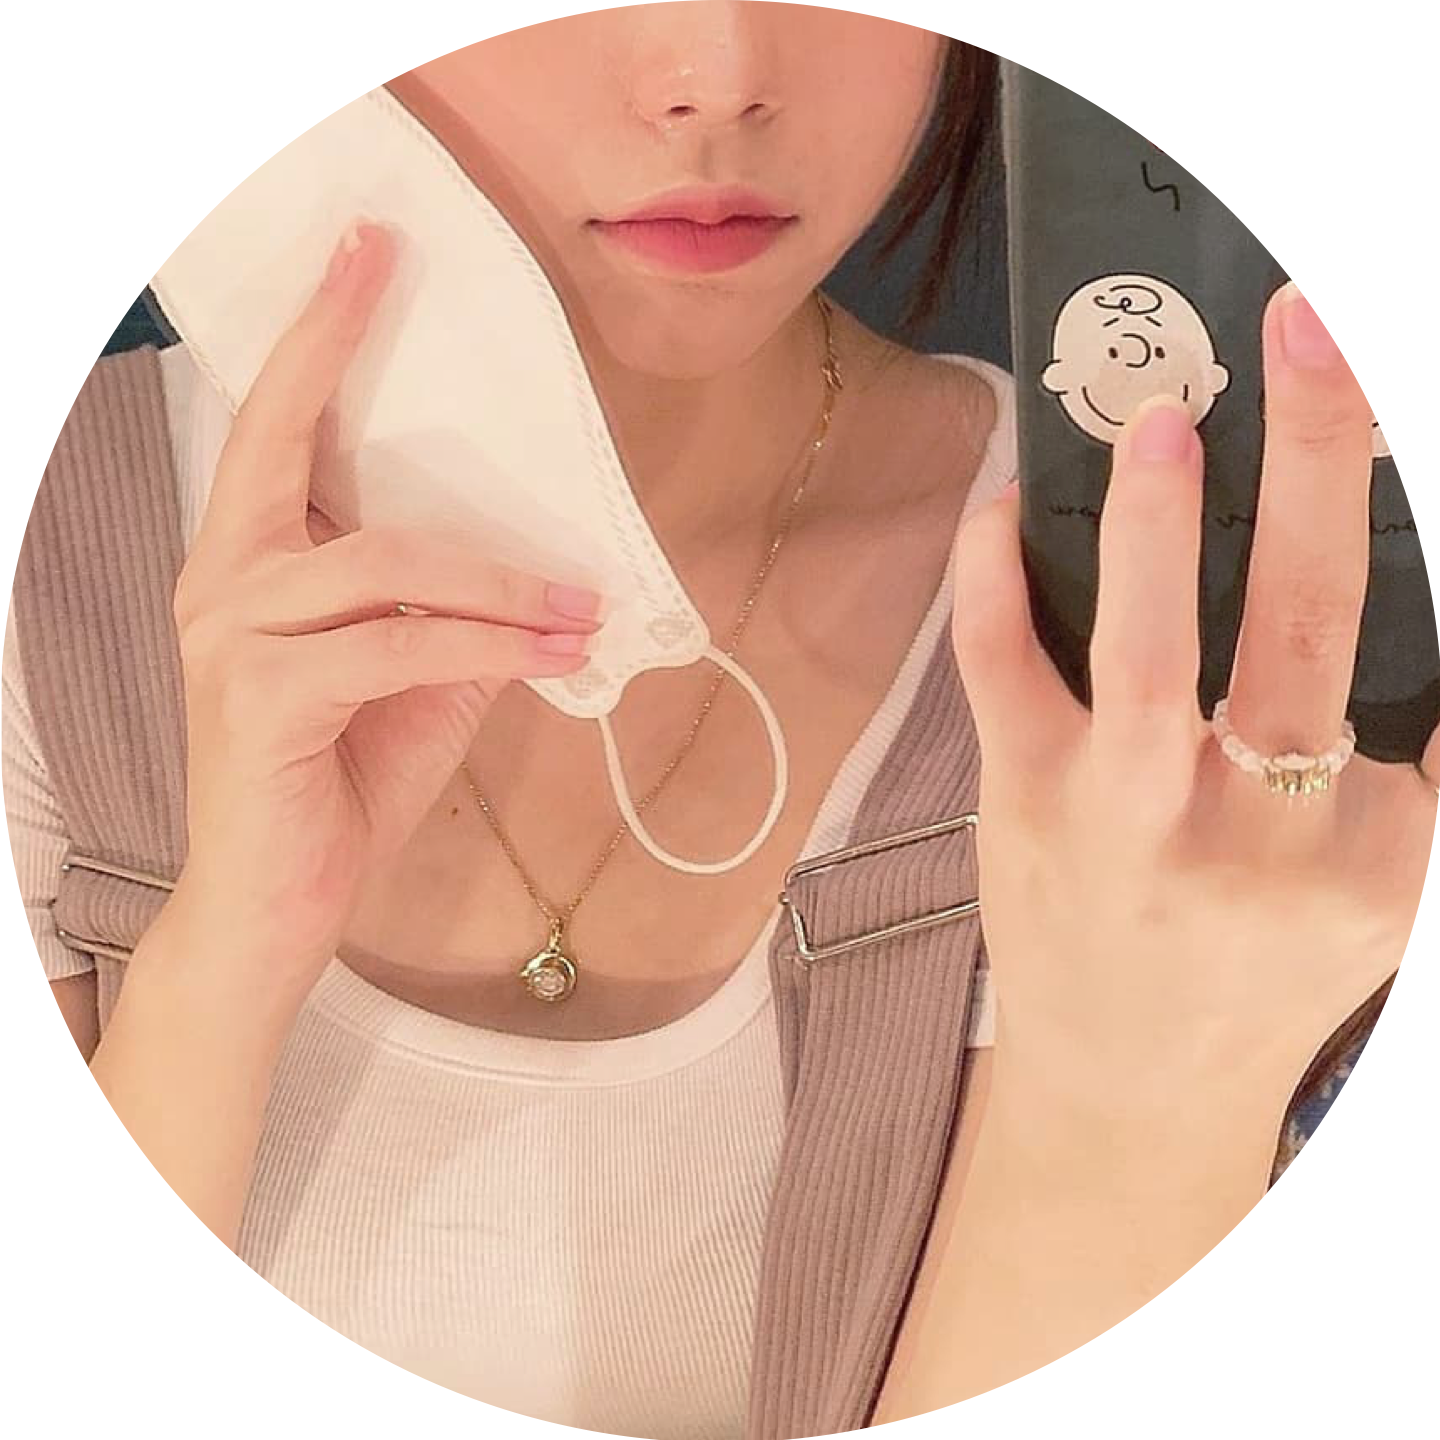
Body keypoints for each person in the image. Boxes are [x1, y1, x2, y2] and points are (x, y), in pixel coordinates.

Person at [5, 12, 1430, 1434]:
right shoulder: (54, 564)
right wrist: (216, 962)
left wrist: (1154, 1093)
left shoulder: (1150, 631)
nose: (718, 83)